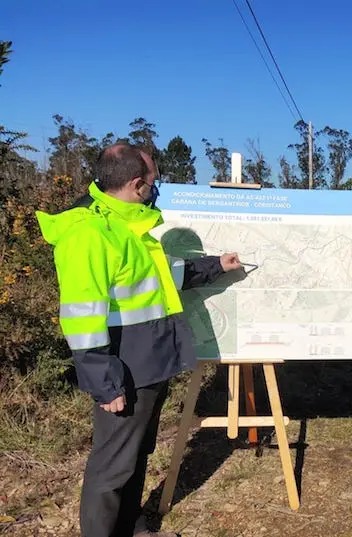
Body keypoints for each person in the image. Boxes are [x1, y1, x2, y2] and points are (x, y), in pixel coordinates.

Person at [36, 143, 244, 537]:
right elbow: (81, 317)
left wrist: (215, 265)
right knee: (112, 467)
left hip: (149, 363)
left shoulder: (129, 225)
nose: (154, 189)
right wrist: (104, 382)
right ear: (136, 184)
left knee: (135, 456)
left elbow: (162, 278)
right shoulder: (89, 233)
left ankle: (130, 526)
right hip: (124, 370)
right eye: (152, 183)